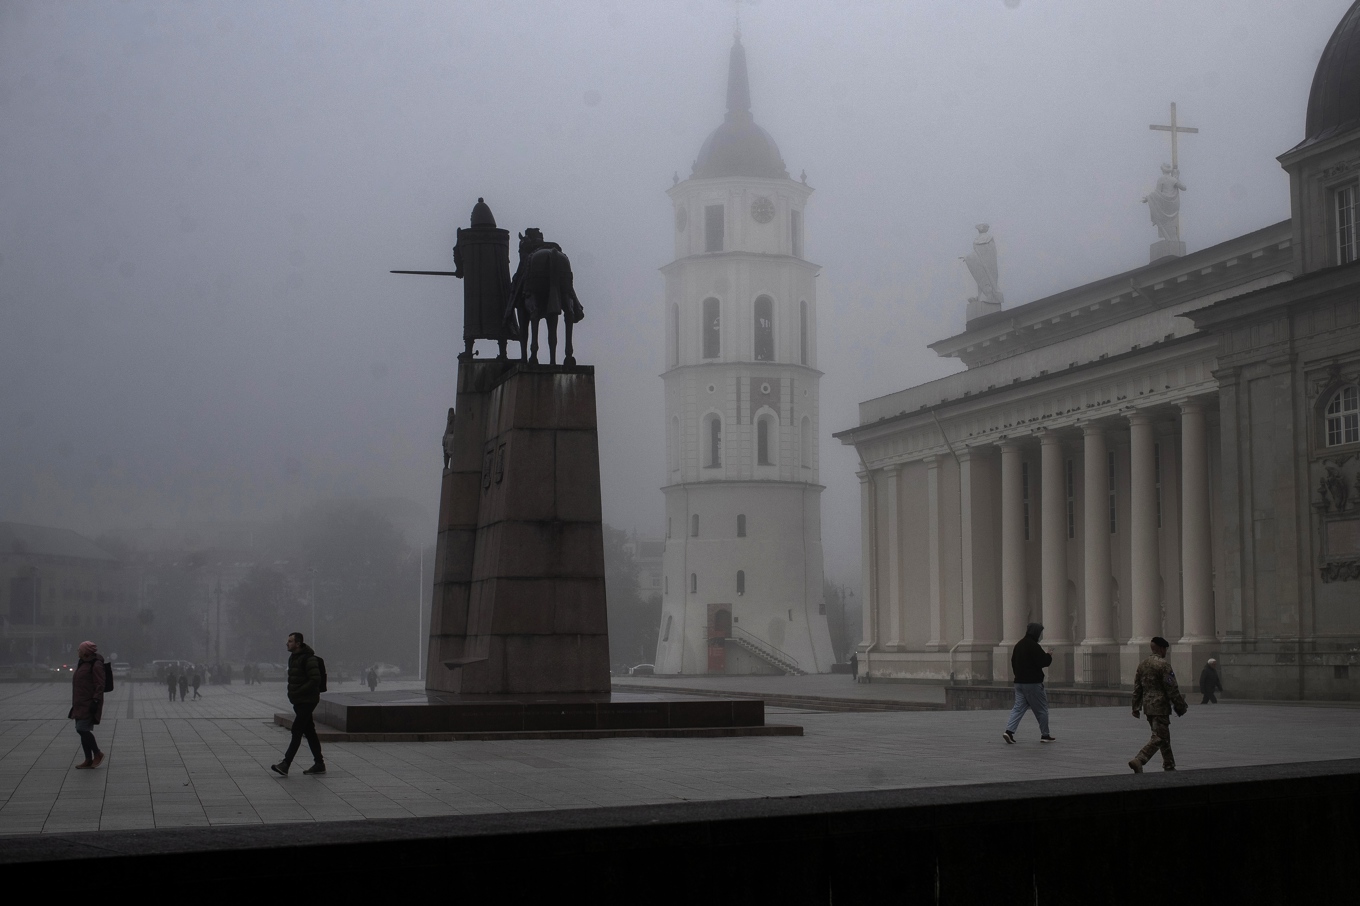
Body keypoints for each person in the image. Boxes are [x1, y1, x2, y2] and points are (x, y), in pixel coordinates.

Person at [1130, 636, 1189, 773]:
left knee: (1164, 736)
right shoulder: (1164, 665)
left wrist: (1135, 707)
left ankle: (1169, 765)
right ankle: (1139, 759)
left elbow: (1137, 688)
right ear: (1161, 649)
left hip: (1148, 707)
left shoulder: (1142, 665)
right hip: (1161, 707)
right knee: (1159, 737)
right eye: (1165, 649)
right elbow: (1172, 688)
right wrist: (1180, 706)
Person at [271, 631, 325, 776]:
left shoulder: (309, 659)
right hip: (299, 700)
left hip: (308, 700)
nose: (287, 643)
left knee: (297, 730)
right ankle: (319, 763)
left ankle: (285, 764)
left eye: (290, 641)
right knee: (309, 731)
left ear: (298, 643)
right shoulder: (293, 658)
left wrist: (299, 691)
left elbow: (315, 679)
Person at [1003, 622, 1056, 744]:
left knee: (1018, 708)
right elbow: (1043, 662)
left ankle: (1009, 732)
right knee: (1041, 709)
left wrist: (1018, 675)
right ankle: (1045, 735)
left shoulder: (1019, 645)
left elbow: (1013, 662)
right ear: (1036, 633)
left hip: (1019, 683)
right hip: (1033, 683)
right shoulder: (1033, 646)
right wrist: (1049, 655)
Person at [70, 640, 106, 769]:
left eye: (79, 650)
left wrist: (96, 700)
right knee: (81, 730)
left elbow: (99, 684)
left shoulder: (95, 665)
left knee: (82, 729)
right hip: (79, 703)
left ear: (85, 652)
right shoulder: (83, 663)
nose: (78, 652)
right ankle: (88, 759)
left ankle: (97, 753)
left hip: (89, 703)